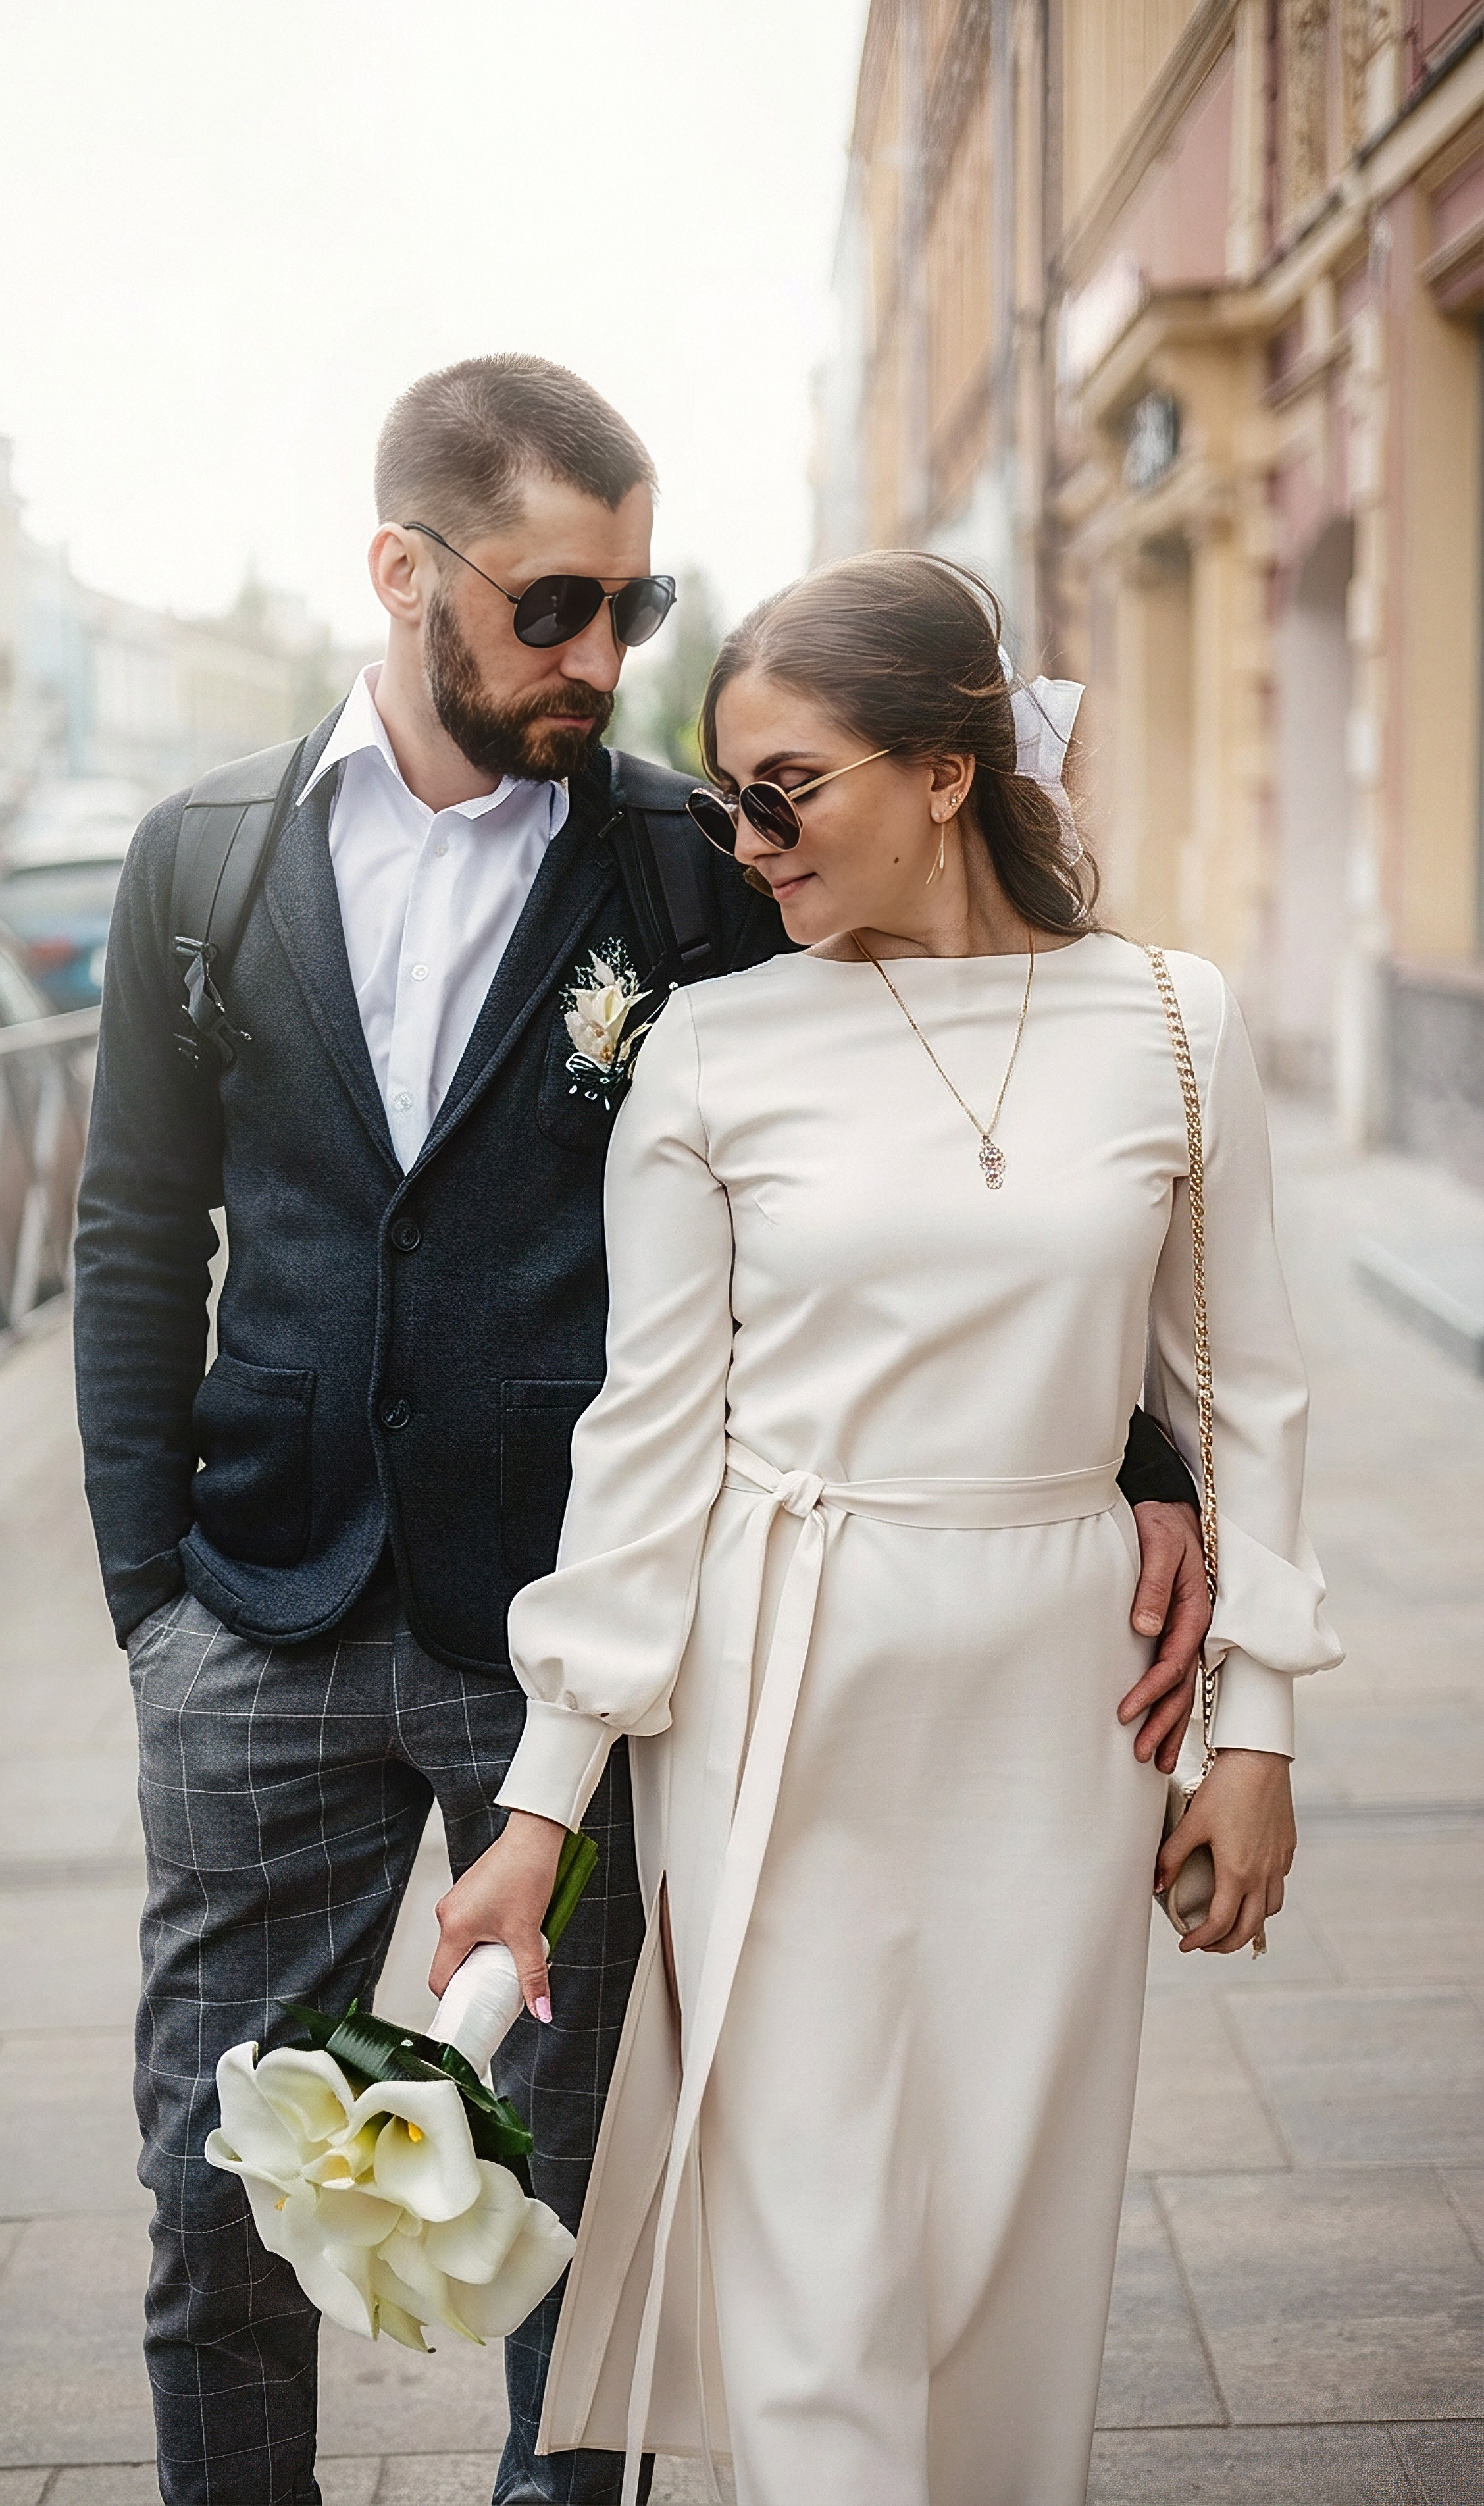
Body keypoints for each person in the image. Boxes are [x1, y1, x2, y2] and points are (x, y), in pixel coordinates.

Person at [73, 355, 1207, 2506]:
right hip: (263, 1622)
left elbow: (945, 1155)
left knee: (584, 2211)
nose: (605, 656)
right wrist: (157, 1615)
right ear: (402, 571)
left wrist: (1137, 1456)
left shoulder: (698, 861)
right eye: (558, 605)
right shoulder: (200, 862)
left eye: (638, 604)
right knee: (210, 2198)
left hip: (594, 1648)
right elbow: (135, 1240)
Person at [433, 552, 1343, 2506]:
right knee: (815, 2243)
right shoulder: (715, 1046)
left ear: (948, 771)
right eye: (728, 796)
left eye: (786, 787)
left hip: (1063, 1701)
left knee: (1017, 2229)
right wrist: (540, 1808)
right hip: (783, 1681)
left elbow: (1244, 1391)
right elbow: (647, 1449)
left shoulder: (1176, 1024)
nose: (745, 840)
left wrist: (1253, 1726)